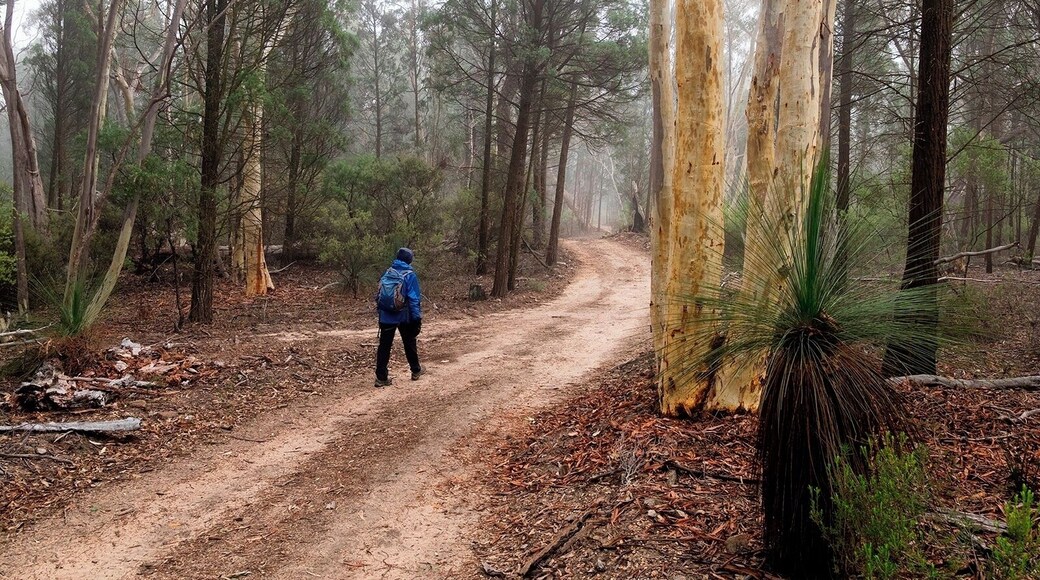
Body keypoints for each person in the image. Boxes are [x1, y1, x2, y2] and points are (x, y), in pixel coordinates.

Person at [374, 247, 423, 387]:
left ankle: (381, 378)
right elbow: (414, 299)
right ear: (409, 260)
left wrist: (380, 311)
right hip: (404, 316)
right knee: (409, 343)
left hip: (386, 316)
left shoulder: (387, 272)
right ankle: (415, 370)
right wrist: (417, 318)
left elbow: (379, 295)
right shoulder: (410, 275)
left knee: (384, 346)